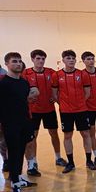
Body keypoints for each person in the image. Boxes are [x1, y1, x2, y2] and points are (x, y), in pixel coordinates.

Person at [22, 49, 67, 177]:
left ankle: (58, 157)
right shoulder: (26, 73)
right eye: (38, 58)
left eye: (43, 59)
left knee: (54, 134)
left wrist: (55, 96)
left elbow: (59, 87)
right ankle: (34, 162)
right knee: (33, 137)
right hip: (33, 111)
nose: (41, 61)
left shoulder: (51, 72)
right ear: (32, 59)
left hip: (49, 110)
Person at [0, 52, 38, 192]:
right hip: (10, 124)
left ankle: (19, 178)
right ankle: (15, 183)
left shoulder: (24, 82)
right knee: (14, 152)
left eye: (19, 61)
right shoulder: (3, 84)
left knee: (21, 151)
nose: (18, 64)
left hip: (24, 122)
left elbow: (25, 101)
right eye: (14, 61)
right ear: (7, 64)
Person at [51, 50, 96, 173]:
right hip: (66, 112)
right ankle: (70, 163)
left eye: (73, 58)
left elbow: (87, 92)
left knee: (85, 134)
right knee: (67, 135)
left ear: (76, 60)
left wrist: (79, 103)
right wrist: (63, 104)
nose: (71, 60)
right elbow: (54, 94)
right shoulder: (56, 75)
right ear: (63, 60)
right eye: (68, 58)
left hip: (81, 110)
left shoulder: (82, 74)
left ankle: (89, 160)